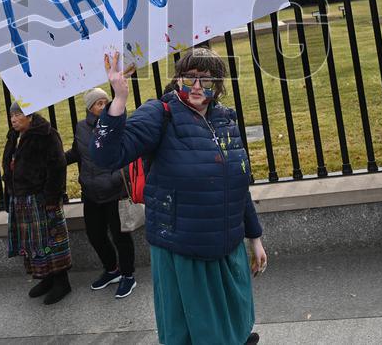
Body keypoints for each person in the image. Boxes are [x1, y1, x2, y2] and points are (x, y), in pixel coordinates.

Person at [93, 48, 267, 345]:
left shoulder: (225, 119)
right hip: (185, 248)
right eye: (189, 78)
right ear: (177, 80)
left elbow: (237, 185)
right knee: (198, 331)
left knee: (235, 320)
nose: (197, 86)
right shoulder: (160, 113)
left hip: (228, 246)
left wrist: (255, 238)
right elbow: (107, 155)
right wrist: (119, 98)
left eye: (206, 80)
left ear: (218, 85)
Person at [65, 87, 137, 299]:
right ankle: (112, 270)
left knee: (121, 236)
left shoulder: (117, 125)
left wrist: (115, 179)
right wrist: (54, 160)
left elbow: (129, 154)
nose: (104, 105)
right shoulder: (81, 127)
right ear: (90, 107)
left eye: (106, 101)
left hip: (114, 192)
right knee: (95, 235)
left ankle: (128, 276)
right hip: (91, 193)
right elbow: (76, 152)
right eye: (99, 103)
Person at [3, 103, 72, 305]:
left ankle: (61, 281)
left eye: (18, 114)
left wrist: (51, 198)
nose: (13, 119)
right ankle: (46, 277)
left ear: (30, 115)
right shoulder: (14, 136)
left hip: (42, 199)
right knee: (35, 244)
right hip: (22, 199)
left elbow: (57, 167)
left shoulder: (47, 135)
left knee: (51, 241)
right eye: (11, 115)